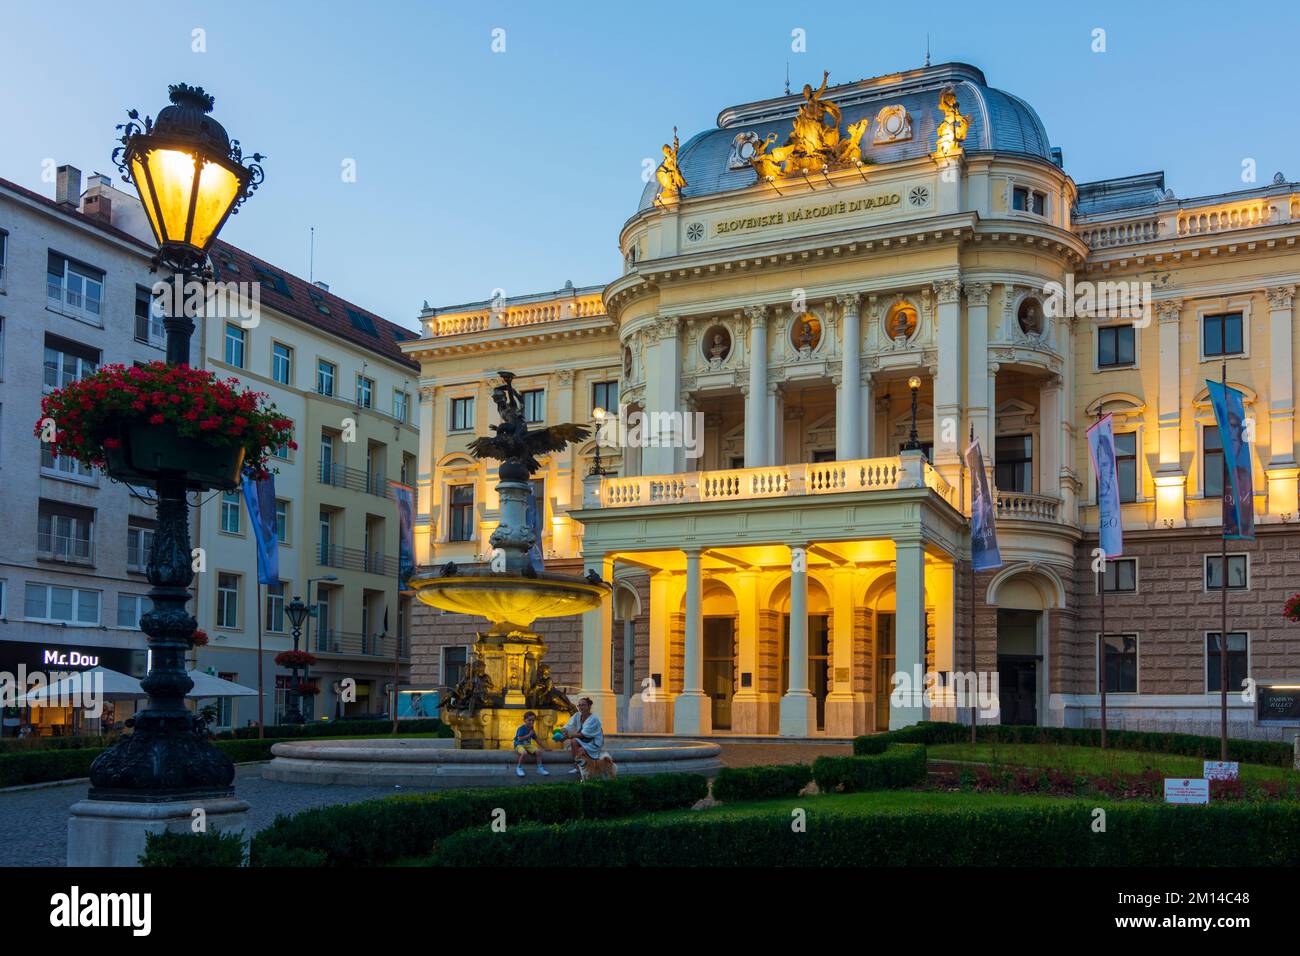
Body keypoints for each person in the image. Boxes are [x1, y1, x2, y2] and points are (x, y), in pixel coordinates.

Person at [560, 697, 604, 774]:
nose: (580, 707)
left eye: (583, 705)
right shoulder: (577, 715)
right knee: (573, 742)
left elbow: (583, 734)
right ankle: (577, 767)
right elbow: (568, 726)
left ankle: (584, 770)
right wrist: (563, 731)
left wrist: (567, 736)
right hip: (584, 740)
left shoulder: (594, 719)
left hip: (593, 742)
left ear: (589, 706)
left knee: (579, 749)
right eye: (579, 705)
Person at [512, 710, 549, 777]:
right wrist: (529, 735)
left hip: (527, 745)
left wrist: (545, 748)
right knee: (524, 753)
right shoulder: (521, 728)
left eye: (533, 720)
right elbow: (519, 738)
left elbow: (536, 739)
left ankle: (539, 768)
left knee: (538, 751)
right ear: (524, 720)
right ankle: (519, 768)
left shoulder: (532, 729)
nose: (531, 722)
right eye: (529, 720)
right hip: (519, 744)